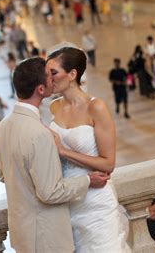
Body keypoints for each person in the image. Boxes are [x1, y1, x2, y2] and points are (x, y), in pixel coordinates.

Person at [0, 57, 109, 252]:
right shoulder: (39, 134)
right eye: (49, 77)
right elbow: (50, 192)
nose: (53, 80)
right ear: (41, 89)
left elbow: (3, 175)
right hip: (47, 238)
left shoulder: (3, 126)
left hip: (23, 234)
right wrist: (88, 180)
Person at [47, 47, 129, 252]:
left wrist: (63, 152)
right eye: (46, 74)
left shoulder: (96, 107)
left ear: (72, 74)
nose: (49, 78)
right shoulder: (54, 107)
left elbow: (108, 163)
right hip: (69, 201)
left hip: (96, 201)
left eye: (53, 73)